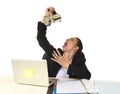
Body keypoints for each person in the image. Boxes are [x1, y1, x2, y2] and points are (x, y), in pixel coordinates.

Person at [37, 7, 91, 80]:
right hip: (52, 89)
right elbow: (41, 38)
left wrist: (65, 64)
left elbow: (87, 76)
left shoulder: (79, 59)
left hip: (69, 90)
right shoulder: (56, 54)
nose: (67, 39)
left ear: (76, 48)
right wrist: (46, 16)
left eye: (71, 40)